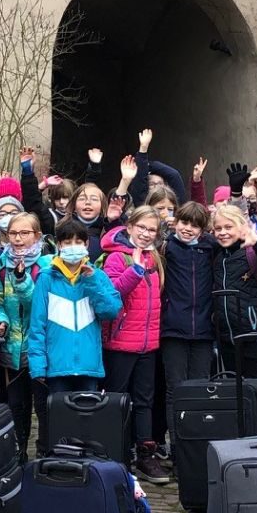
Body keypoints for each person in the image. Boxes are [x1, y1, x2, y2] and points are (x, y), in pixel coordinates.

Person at [26, 219, 124, 449]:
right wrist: (38, 365)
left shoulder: (97, 276)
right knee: (58, 422)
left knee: (86, 422)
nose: (73, 246)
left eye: (78, 241)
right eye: (67, 241)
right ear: (59, 245)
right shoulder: (46, 278)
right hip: (56, 367)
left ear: (86, 244)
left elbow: (111, 310)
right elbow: (37, 325)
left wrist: (91, 281)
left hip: (89, 366)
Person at [102, 206, 168, 483]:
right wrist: (136, 269)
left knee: (144, 402)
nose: (145, 233)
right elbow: (111, 293)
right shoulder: (117, 258)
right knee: (118, 400)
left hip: (147, 344)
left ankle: (145, 453)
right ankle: (117, 454)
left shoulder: (156, 259)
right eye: (141, 227)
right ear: (129, 227)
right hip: (120, 343)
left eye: (151, 229)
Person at [210, 203, 257, 392]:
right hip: (228, 340)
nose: (223, 233)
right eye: (218, 228)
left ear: (241, 227)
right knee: (236, 396)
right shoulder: (217, 256)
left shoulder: (253, 251)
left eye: (228, 227)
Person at [159, 200, 216, 437]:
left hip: (203, 329)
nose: (187, 228)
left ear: (203, 229)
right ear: (175, 222)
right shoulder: (167, 247)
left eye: (194, 225)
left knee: (200, 388)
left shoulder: (210, 248)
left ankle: (198, 439)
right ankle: (177, 443)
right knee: (176, 388)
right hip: (173, 328)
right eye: (184, 222)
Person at [0, 210, 47, 457]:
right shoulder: (1, 264)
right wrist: (1, 321)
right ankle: (19, 451)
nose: (17, 238)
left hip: (40, 346)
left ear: (36, 236)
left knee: (43, 404)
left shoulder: (47, 265)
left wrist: (21, 278)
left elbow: (38, 303)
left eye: (24, 233)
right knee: (16, 404)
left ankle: (45, 452)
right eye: (13, 233)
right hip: (12, 346)